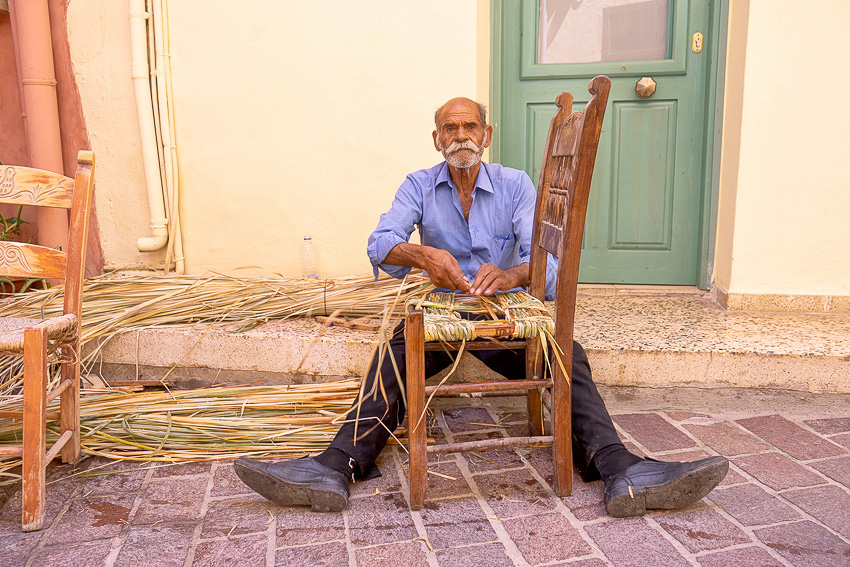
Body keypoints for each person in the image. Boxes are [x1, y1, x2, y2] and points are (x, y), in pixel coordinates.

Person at [234, 97, 728, 517]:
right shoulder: (419, 184)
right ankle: (334, 469)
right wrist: (422, 254)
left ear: (486, 134)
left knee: (565, 352)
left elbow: (548, 265)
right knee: (395, 352)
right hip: (443, 317)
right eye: (450, 127)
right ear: (436, 139)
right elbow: (378, 243)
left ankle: (620, 470)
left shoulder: (514, 184)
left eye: (471, 126)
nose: (461, 135)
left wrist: (513, 274)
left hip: (503, 317)